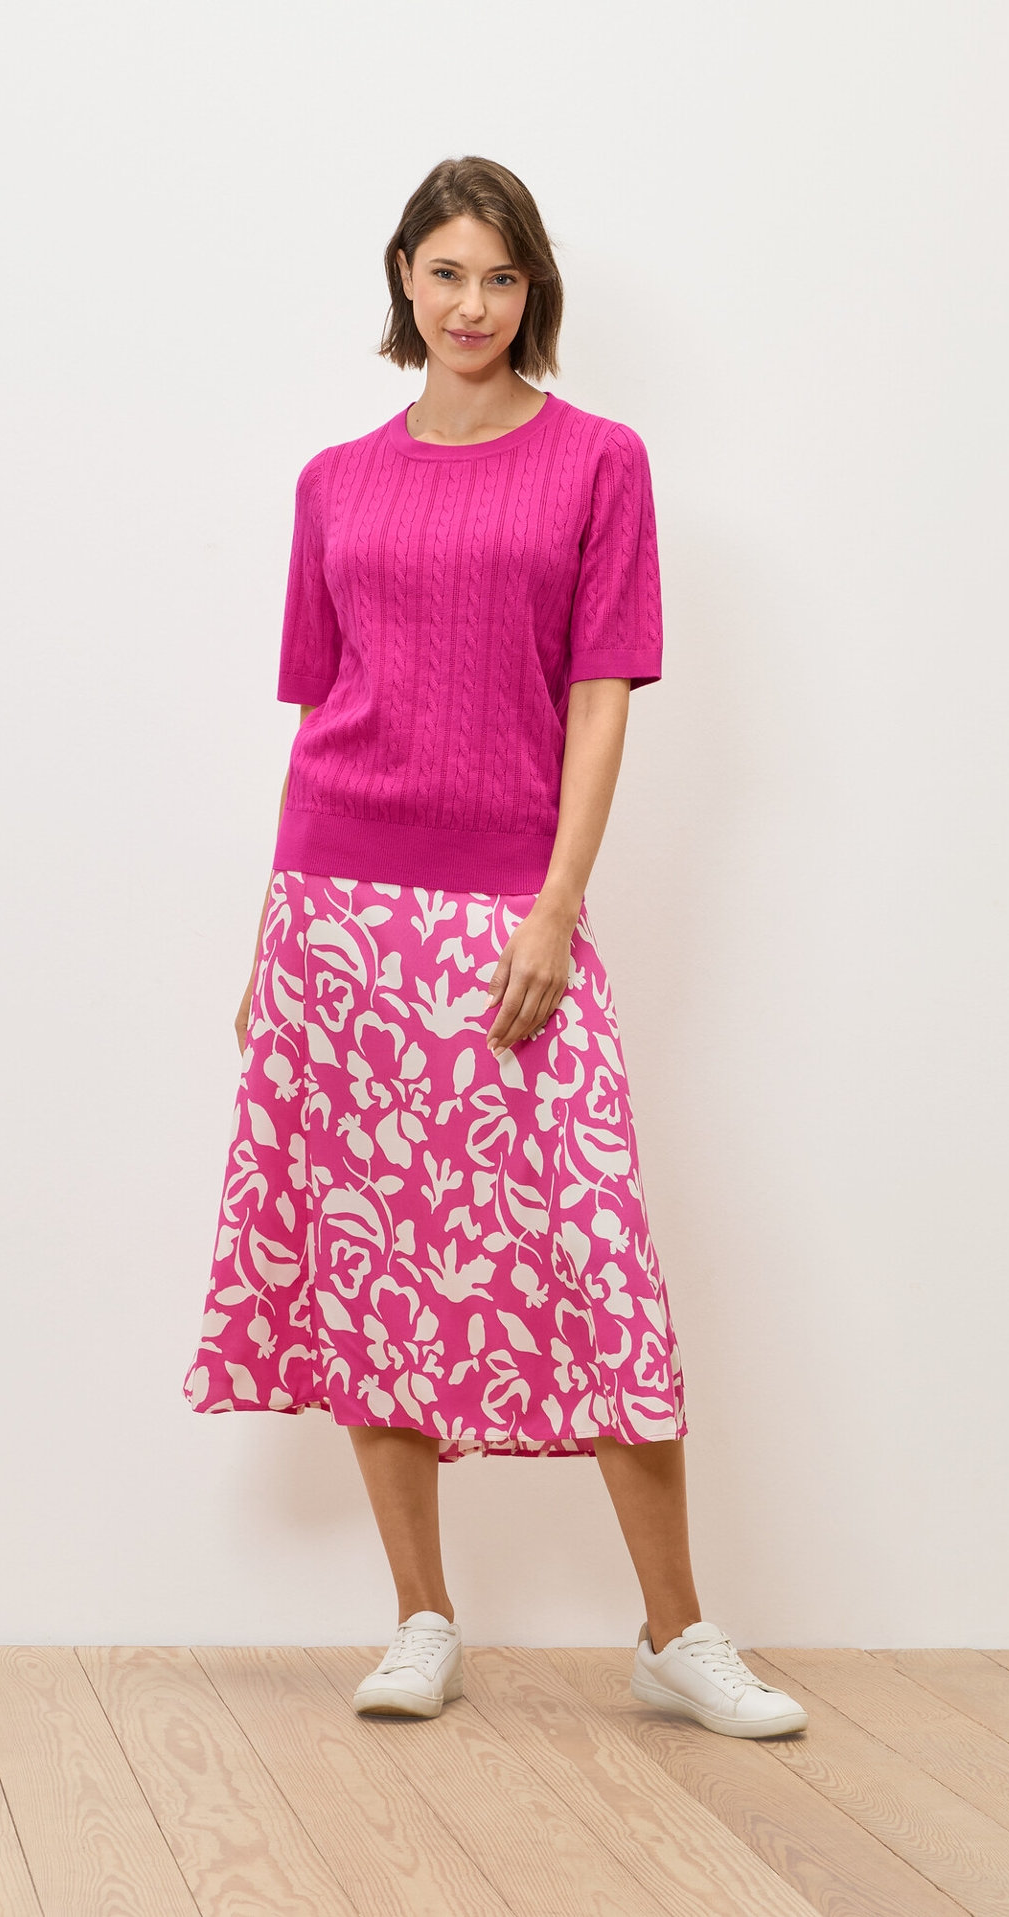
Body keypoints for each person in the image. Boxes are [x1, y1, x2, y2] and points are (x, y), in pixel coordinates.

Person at [185, 156, 805, 1740]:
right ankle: (419, 1616)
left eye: (501, 278)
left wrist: (552, 901)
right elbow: (323, 713)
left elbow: (600, 694)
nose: (471, 305)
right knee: (371, 1256)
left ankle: (675, 1632)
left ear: (534, 295)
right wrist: (274, 922)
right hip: (337, 903)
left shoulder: (599, 463)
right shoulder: (334, 479)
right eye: (446, 273)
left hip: (503, 911)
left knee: (596, 1253)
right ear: (402, 277)